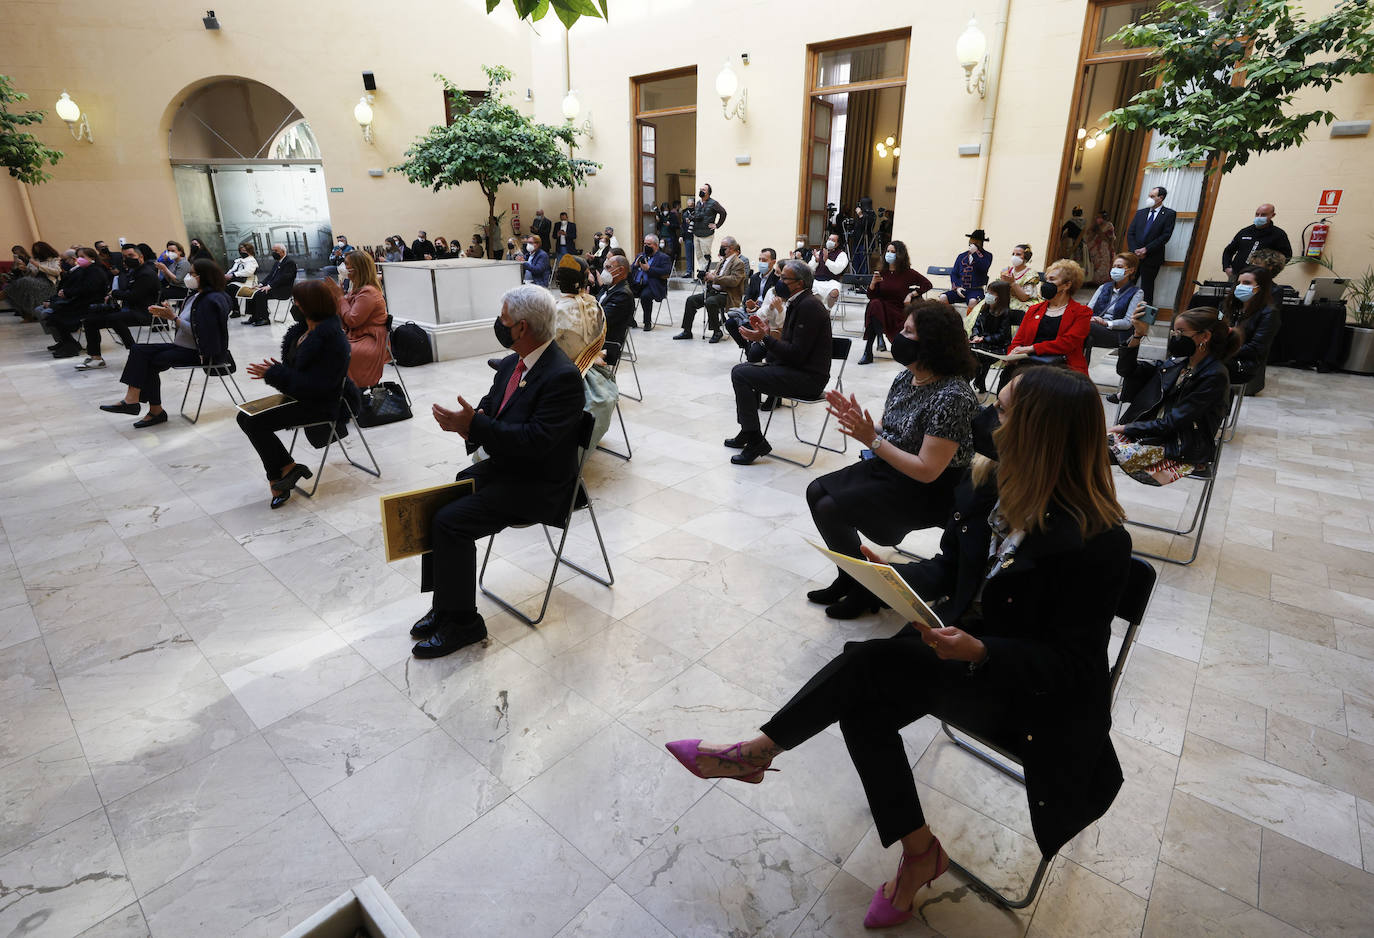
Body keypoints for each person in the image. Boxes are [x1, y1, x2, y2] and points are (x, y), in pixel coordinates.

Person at [664, 365, 1130, 931]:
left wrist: (982, 653)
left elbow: (1077, 669)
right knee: (865, 700)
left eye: (1002, 411)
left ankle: (757, 753)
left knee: (865, 666)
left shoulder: (1095, 540)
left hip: (1024, 690)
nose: (989, 419)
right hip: (964, 647)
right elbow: (957, 568)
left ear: (1039, 434)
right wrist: (901, 576)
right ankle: (916, 852)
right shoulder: (991, 484)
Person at [412, 285, 586, 658]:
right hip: (512, 469)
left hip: (540, 484)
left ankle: (465, 624)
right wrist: (467, 423)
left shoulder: (562, 377)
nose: (499, 324)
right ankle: (447, 605)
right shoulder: (512, 364)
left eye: (504, 319)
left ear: (522, 328)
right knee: (439, 505)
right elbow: (491, 408)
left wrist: (475, 426)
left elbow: (535, 441)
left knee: (451, 522)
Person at [805, 301, 977, 617]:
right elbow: (893, 427)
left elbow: (928, 470)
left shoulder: (953, 396)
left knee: (831, 506)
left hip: (931, 488)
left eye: (908, 332)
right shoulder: (907, 376)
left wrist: (872, 438)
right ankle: (850, 578)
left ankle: (867, 590)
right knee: (816, 491)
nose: (899, 336)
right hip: (894, 465)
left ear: (932, 343)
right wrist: (864, 423)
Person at [239, 279, 353, 508]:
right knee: (246, 417)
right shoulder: (302, 330)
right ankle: (287, 468)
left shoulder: (331, 339)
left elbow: (318, 385)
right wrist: (278, 372)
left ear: (309, 304)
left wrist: (276, 374)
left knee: (252, 422)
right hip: (302, 397)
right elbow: (299, 373)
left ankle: (278, 476)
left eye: (298, 300)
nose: (295, 304)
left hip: (321, 404)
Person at [98, 258, 233, 428]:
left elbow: (204, 333)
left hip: (199, 352)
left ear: (205, 276)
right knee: (138, 350)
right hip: (184, 347)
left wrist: (173, 318)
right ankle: (136, 402)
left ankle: (150, 408)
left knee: (148, 362)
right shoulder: (198, 295)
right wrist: (168, 315)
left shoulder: (213, 299)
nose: (188, 276)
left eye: (192, 274)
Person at [1110, 306, 1237, 485]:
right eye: (1174, 331)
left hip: (1178, 446)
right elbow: (1126, 370)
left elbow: (1175, 422)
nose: (1174, 337)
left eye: (1180, 332)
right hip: (1151, 433)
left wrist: (1126, 428)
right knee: (1084, 443)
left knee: (1094, 453)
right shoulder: (1177, 363)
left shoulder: (1214, 375)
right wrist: (1138, 335)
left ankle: (1096, 506)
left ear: (1204, 337)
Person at [726, 260, 833, 465]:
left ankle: (754, 438)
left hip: (808, 379)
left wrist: (765, 340)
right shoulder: (798, 302)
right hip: (795, 369)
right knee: (742, 370)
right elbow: (789, 345)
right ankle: (749, 433)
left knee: (741, 374)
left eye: (784, 278)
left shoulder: (809, 306)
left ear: (799, 284)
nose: (779, 281)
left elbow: (797, 354)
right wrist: (766, 335)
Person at [76, 243, 160, 370]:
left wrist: (114, 293)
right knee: (90, 321)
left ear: (141, 257)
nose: (127, 259)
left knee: (115, 318)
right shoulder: (133, 272)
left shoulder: (146, 274)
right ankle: (96, 358)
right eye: (125, 257)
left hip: (145, 313)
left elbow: (134, 296)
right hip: (130, 310)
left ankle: (135, 352)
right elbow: (125, 289)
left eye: (131, 255)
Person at [1006, 259, 1092, 376]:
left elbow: (1068, 343)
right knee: (1006, 387)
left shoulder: (1082, 313)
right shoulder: (1033, 310)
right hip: (1028, 364)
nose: (1046, 284)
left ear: (1067, 285)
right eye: (1046, 280)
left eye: (1052, 279)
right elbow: (1018, 340)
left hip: (1063, 368)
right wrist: (1012, 354)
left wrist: (1032, 348)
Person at [860, 241, 932, 365]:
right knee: (874, 304)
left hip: (899, 310)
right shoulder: (882, 273)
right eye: (888, 251)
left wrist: (911, 294)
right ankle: (877, 341)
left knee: (874, 309)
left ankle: (871, 350)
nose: (889, 254)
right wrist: (872, 283)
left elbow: (927, 284)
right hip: (882, 308)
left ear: (900, 254)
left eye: (893, 252)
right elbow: (871, 296)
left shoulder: (908, 273)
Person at [45, 247, 113, 358]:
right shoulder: (86, 270)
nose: (79, 259)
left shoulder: (96, 270)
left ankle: (70, 347)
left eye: (82, 257)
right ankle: (69, 343)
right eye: (79, 257)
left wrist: (67, 293)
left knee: (58, 316)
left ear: (91, 258)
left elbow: (88, 289)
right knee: (54, 315)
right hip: (83, 301)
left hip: (92, 304)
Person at [1222, 265, 1281, 394]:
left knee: (1208, 366)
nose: (1240, 286)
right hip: (1224, 353)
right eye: (1239, 283)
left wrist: (1222, 350)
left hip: (1245, 362)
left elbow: (1256, 348)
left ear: (1260, 287)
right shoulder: (1230, 306)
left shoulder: (1269, 313)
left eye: (1247, 283)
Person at [677, 236, 747, 343]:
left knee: (711, 302)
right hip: (713, 292)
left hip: (727, 295)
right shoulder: (721, 262)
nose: (721, 249)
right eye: (721, 246)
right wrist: (707, 277)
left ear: (732, 248)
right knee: (691, 300)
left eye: (724, 247)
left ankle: (717, 331)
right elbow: (715, 276)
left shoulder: (738, 263)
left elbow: (734, 280)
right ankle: (687, 331)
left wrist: (714, 278)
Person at [340, 251, 389, 388]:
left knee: (338, 352)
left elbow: (351, 320)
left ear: (357, 269)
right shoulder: (356, 289)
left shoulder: (368, 292)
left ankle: (349, 391)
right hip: (358, 335)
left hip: (370, 339)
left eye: (347, 265)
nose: (344, 268)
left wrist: (339, 298)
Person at [1085, 253, 1145, 356]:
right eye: (1114, 266)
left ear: (1131, 270)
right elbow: (1087, 311)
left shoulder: (1136, 293)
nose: (1115, 269)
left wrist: (1106, 323)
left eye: (1120, 267)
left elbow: (1127, 322)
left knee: (1085, 327)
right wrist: (1093, 318)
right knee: (1086, 336)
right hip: (1094, 325)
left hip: (1117, 333)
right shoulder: (1103, 287)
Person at [1126, 187, 1176, 304]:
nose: (1149, 198)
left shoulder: (1169, 214)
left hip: (1152, 257)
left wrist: (1146, 250)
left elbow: (1165, 236)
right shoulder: (1140, 213)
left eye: (1152, 196)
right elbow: (1131, 233)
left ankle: (1143, 319)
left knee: (1147, 288)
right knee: (1128, 285)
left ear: (1161, 198)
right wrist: (1135, 251)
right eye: (1149, 196)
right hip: (1134, 257)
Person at [725, 249, 781, 351]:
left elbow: (774, 300)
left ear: (773, 262)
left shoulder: (777, 279)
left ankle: (753, 351)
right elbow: (747, 297)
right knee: (729, 323)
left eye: (764, 260)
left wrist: (758, 306)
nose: (761, 262)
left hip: (766, 312)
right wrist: (748, 306)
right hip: (751, 311)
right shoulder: (755, 277)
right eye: (759, 259)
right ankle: (746, 347)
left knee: (750, 325)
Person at [1221, 203, 1292, 276]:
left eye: (1263, 215)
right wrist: (1226, 267)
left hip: (1260, 277)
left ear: (1272, 215)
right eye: (1257, 214)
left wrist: (1271, 271)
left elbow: (1286, 256)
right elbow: (1228, 251)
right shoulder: (1244, 232)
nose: (1259, 217)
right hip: (1237, 274)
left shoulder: (1278, 234)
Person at [969, 280, 1014, 393]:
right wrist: (976, 335)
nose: (988, 295)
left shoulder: (1005, 313)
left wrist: (984, 338)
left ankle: (976, 380)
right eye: (988, 292)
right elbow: (977, 326)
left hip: (998, 346)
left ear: (1001, 296)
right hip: (982, 342)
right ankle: (977, 381)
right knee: (967, 350)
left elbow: (1003, 335)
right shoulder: (985, 308)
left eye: (992, 293)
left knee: (976, 355)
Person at [244, 244, 297, 326]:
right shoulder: (277, 262)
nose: (273, 253)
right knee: (252, 292)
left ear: (283, 251)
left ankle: (264, 318)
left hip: (283, 290)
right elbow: (270, 276)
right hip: (275, 287)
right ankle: (254, 316)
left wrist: (269, 286)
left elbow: (283, 279)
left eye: (276, 251)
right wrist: (260, 285)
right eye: (272, 251)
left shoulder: (289, 262)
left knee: (260, 294)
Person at [8, 241, 61, 321]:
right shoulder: (34, 259)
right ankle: (27, 314)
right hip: (35, 281)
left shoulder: (54, 259)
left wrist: (38, 265)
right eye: (35, 250)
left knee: (23, 281)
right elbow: (31, 273)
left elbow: (56, 272)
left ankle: (5, 294)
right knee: (21, 283)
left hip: (49, 283)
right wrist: (26, 269)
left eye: (39, 250)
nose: (37, 252)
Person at [630, 234, 671, 331]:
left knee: (645, 296)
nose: (646, 246)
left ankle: (647, 322)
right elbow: (631, 269)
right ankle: (630, 319)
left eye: (649, 244)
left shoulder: (663, 257)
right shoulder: (640, 255)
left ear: (656, 245)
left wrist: (649, 269)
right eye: (644, 244)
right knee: (625, 293)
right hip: (638, 283)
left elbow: (666, 272)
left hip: (653, 285)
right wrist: (635, 265)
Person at [943, 230, 992, 307]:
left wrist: (975, 253)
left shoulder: (987, 255)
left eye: (976, 241)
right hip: (961, 288)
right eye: (971, 240)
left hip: (976, 290)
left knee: (973, 301)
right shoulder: (961, 256)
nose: (973, 242)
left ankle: (969, 319)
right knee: (943, 297)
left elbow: (984, 267)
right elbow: (954, 273)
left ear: (981, 243)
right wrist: (957, 287)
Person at [598, 254, 636, 352]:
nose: (604, 271)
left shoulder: (623, 295)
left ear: (620, 270)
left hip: (607, 344)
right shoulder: (608, 287)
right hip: (597, 336)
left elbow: (601, 319)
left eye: (608, 267)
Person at [689, 183, 727, 278]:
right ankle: (702, 272)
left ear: (708, 193)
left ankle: (706, 274)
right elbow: (698, 215)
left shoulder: (713, 203)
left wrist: (717, 225)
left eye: (704, 190)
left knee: (706, 255)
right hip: (696, 233)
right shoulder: (698, 203)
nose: (701, 191)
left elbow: (723, 212)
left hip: (706, 234)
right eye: (700, 189)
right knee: (698, 254)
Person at [808, 232, 849, 309]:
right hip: (817, 281)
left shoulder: (842, 254)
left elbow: (837, 269)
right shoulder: (819, 252)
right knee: (810, 290)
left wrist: (826, 260)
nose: (830, 241)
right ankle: (819, 309)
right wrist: (816, 260)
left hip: (832, 281)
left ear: (837, 243)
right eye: (829, 239)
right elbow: (810, 268)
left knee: (834, 292)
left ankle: (828, 309)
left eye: (833, 240)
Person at [225, 242, 258, 317]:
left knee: (230, 288)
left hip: (247, 282)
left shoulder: (251, 260)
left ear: (249, 251)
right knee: (223, 287)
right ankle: (233, 309)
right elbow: (232, 269)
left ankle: (236, 310)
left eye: (244, 250)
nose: (242, 252)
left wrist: (233, 275)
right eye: (241, 250)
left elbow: (248, 272)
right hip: (236, 280)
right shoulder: (238, 260)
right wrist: (227, 275)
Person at [1084, 211, 1118, 287]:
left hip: (1104, 246)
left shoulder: (1109, 225)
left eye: (1099, 217)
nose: (1098, 219)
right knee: (1092, 263)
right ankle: (1090, 280)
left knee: (1103, 264)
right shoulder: (1095, 225)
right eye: (1097, 217)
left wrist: (1099, 230)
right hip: (1093, 246)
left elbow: (1110, 238)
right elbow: (1088, 233)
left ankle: (1100, 282)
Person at [681, 200, 696, 277]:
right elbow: (683, 226)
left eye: (691, 206)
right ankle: (689, 271)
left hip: (696, 236)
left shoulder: (697, 212)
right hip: (687, 237)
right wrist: (681, 236)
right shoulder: (685, 213)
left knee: (696, 255)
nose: (690, 207)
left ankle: (695, 271)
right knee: (688, 255)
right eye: (688, 206)